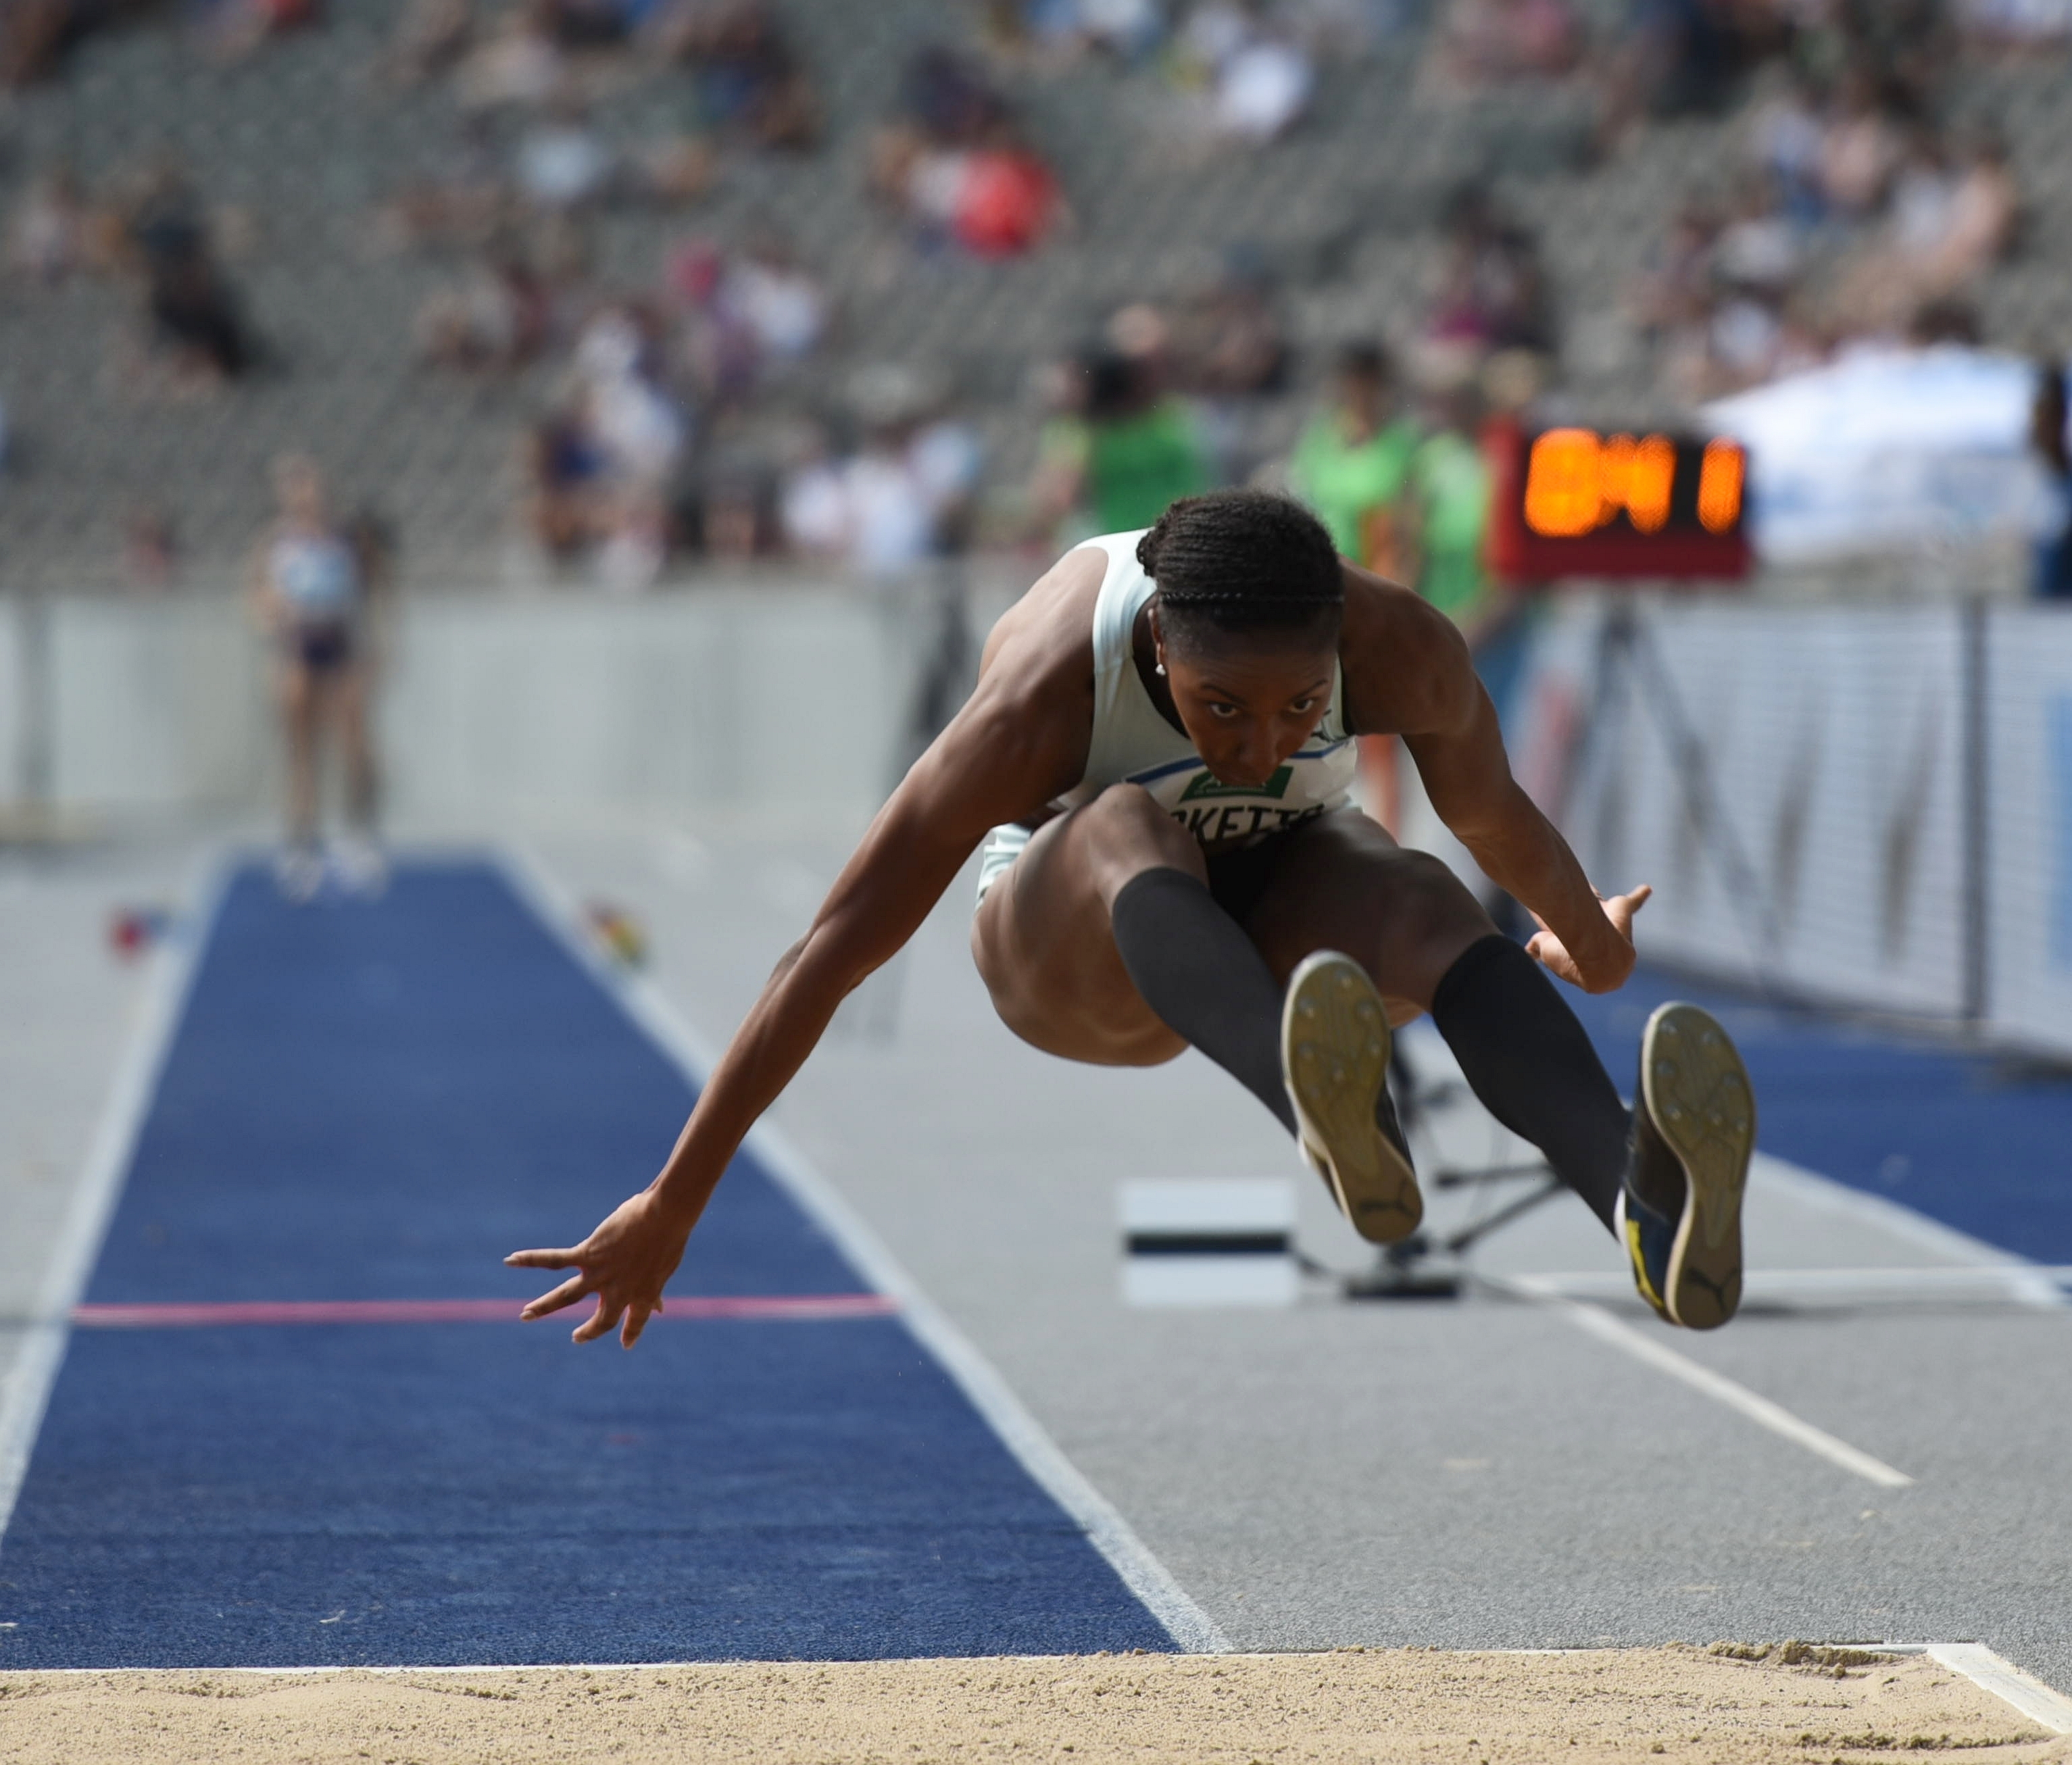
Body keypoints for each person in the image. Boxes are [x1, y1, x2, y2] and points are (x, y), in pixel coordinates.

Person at [511, 490, 1757, 1343]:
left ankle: (1639, 1211)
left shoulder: (1402, 647)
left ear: (1339, 643)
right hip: (1077, 952)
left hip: (1277, 918)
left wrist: (1588, 946)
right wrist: (677, 1198)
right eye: (1222, 708)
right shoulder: (1043, 693)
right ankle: (1321, 1104)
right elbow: (832, 945)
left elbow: (1494, 823)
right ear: (1159, 642)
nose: (1263, 744)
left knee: (1423, 893)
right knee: (1126, 823)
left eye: (1296, 708)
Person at [247, 455, 384, 898]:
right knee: (302, 753)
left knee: (354, 746)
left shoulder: (346, 539)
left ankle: (359, 836)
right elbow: (258, 596)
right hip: (299, 649)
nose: (308, 498)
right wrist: (274, 624)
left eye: (312, 489)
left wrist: (374, 645)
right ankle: (301, 846)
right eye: (298, 491)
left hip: (341, 645)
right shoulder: (277, 543)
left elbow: (374, 586)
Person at [1287, 341, 1421, 579]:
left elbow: (1409, 530)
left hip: (1375, 579)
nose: (1361, 390)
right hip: (1322, 573)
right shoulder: (1319, 440)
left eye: (1370, 380)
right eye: (1354, 379)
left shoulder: (1403, 446)